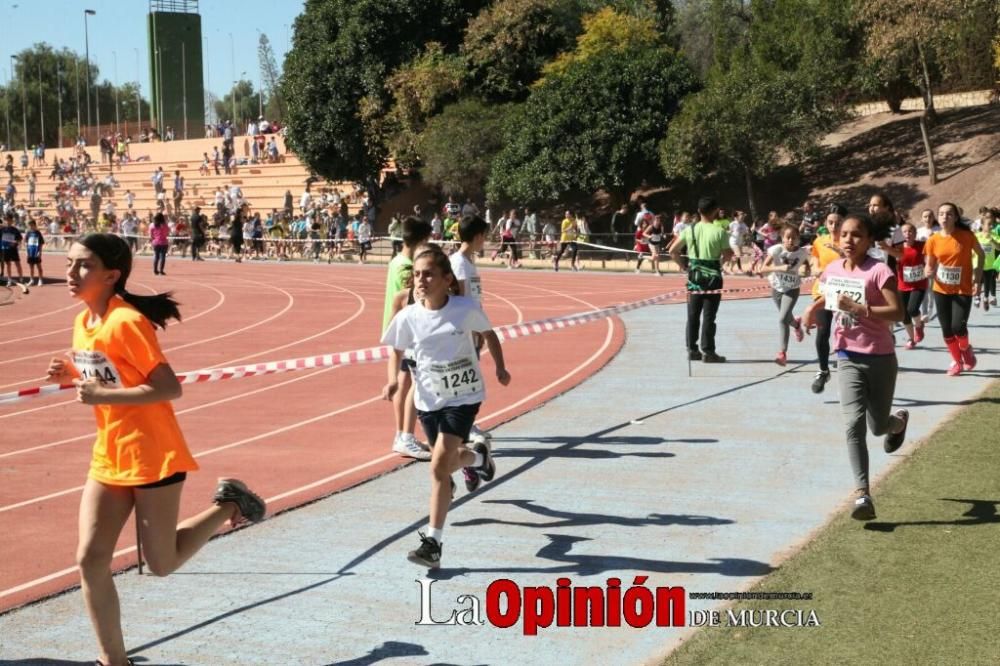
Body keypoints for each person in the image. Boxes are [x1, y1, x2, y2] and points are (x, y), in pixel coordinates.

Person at [48, 233, 265, 666]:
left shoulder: (126, 322)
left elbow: (168, 387)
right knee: (90, 560)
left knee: (161, 564)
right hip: (110, 454)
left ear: (111, 276)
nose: (71, 273)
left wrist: (101, 396)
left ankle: (229, 505)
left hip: (152, 455)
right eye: (70, 263)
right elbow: (111, 375)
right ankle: (114, 661)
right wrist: (69, 373)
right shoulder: (84, 321)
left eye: (83, 266)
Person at [381, 247, 510, 568]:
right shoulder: (408, 316)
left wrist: (500, 367)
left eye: (428, 274)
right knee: (450, 461)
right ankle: (480, 457)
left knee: (439, 468)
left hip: (463, 398)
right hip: (428, 401)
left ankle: (432, 544)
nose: (420, 280)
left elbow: (489, 334)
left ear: (446, 279)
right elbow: (396, 352)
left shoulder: (465, 308)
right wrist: (394, 382)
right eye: (417, 275)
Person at [802, 214, 908, 521]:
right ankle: (863, 494)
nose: (849, 239)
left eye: (857, 235)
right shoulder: (832, 270)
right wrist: (811, 309)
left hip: (880, 357)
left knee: (877, 427)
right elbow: (829, 298)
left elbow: (898, 312)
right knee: (852, 425)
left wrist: (862, 309)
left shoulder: (879, 271)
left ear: (868, 239)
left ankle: (897, 423)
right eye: (844, 234)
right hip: (847, 355)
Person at [384, 217, 434, 459]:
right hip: (408, 332)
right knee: (412, 385)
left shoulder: (396, 261)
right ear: (421, 240)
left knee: (405, 384)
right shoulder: (407, 268)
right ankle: (405, 435)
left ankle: (403, 434)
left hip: (399, 329)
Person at [923, 203, 984, 375]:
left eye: (949, 214)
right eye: (941, 214)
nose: (944, 217)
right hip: (941, 288)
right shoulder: (933, 240)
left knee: (958, 327)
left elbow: (981, 254)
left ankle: (965, 349)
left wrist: (978, 279)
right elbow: (930, 264)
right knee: (947, 329)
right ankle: (957, 362)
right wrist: (928, 270)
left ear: (956, 217)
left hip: (963, 288)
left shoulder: (966, 236)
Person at [669, 197, 732, 363]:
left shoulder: (689, 230)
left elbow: (673, 251)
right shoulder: (719, 232)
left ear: (699, 211)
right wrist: (720, 262)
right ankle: (708, 352)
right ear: (715, 211)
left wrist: (684, 267)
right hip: (713, 276)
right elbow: (728, 254)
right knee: (709, 316)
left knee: (693, 314)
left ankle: (692, 349)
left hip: (694, 274)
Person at [759, 225, 810, 366]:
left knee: (782, 319)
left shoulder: (802, 253)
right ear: (782, 238)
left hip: (792, 289)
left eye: (794, 237)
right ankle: (796, 324)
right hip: (776, 288)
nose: (791, 240)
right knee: (787, 317)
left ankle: (782, 353)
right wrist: (778, 268)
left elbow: (807, 268)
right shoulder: (776, 250)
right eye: (788, 237)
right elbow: (762, 269)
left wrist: (806, 271)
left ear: (798, 239)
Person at [808, 207, 845, 393]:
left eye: (838, 223)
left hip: (844, 294)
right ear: (825, 223)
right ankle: (823, 370)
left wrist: (840, 250)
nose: (834, 226)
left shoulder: (849, 242)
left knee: (845, 332)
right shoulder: (819, 241)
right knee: (822, 332)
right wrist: (815, 269)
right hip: (822, 292)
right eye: (830, 222)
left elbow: (855, 261)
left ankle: (849, 370)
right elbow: (814, 261)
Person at [883, 222, 928, 348]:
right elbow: (888, 260)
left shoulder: (922, 245)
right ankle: (911, 339)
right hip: (903, 284)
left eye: (910, 231)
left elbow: (931, 256)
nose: (907, 234)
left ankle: (919, 326)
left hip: (919, 283)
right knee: (904, 315)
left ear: (915, 233)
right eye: (905, 232)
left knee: (912, 309)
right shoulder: (897, 249)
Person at [973, 209, 996, 310]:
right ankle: (977, 296)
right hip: (977, 263)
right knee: (978, 281)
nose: (991, 227)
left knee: (988, 282)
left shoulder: (994, 236)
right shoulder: (976, 236)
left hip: (990, 264)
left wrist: (993, 241)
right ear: (982, 225)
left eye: (992, 225)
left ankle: (986, 298)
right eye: (989, 224)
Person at [1, 212, 28, 291]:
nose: (7, 221)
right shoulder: (2, 229)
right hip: (5, 250)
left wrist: (15, 243)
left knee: (17, 264)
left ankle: (21, 279)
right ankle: (9, 279)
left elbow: (19, 239)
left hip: (13, 250)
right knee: (8, 265)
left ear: (12, 221)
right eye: (6, 220)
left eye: (9, 220)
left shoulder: (15, 230)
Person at [25, 218, 45, 286]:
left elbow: (41, 244)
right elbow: (26, 243)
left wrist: (40, 252)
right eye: (29, 225)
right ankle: (31, 280)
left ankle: (40, 280)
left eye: (31, 225)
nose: (30, 226)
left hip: (36, 252)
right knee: (31, 267)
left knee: (39, 267)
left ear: (34, 225)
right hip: (30, 252)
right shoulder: (28, 233)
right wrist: (27, 252)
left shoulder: (38, 233)